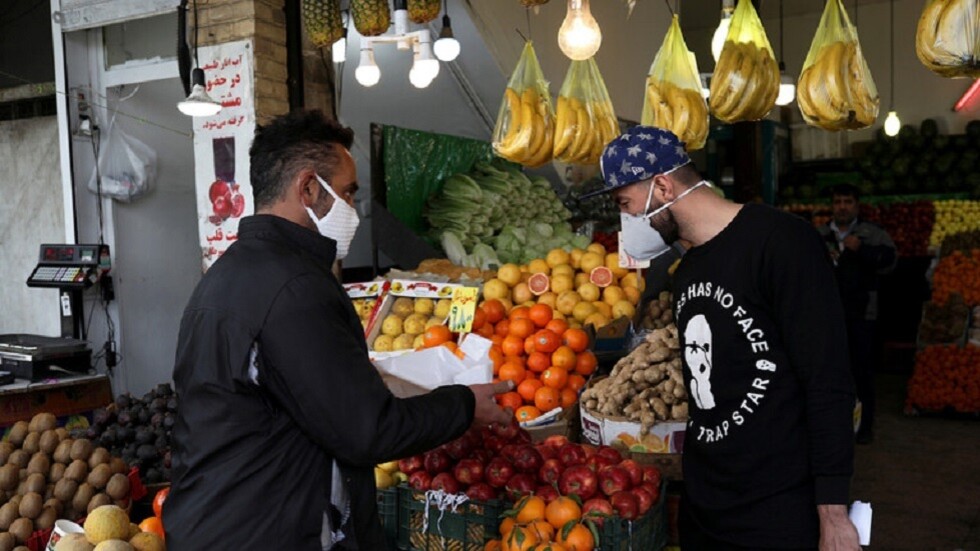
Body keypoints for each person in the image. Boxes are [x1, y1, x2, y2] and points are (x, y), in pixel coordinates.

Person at [164, 110, 512, 550]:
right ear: (309, 188)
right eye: (347, 192)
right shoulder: (296, 288)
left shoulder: (221, 277)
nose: (352, 208)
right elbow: (367, 431)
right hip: (267, 534)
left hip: (215, 523)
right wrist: (463, 405)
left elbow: (296, 394)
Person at [582, 126, 860, 550]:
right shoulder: (687, 270)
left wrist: (833, 513)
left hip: (777, 507)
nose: (626, 219)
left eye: (625, 204)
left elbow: (828, 380)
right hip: (706, 507)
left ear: (662, 187)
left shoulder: (782, 242)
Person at [817, 184, 897, 444]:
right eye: (838, 201)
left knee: (861, 372)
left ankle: (864, 428)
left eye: (848, 201)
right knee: (829, 371)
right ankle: (833, 425)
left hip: (862, 314)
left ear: (856, 205)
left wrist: (861, 249)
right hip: (827, 315)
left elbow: (890, 262)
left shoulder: (872, 233)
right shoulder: (820, 234)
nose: (842, 207)